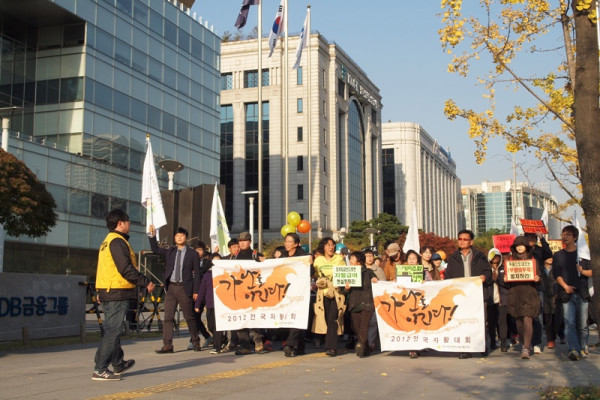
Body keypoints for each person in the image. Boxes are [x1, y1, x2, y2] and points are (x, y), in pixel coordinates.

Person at [92, 209, 155, 381]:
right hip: (116, 291)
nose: (130, 224)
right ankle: (100, 369)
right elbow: (125, 269)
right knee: (113, 330)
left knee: (113, 328)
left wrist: (99, 291)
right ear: (120, 223)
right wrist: (144, 281)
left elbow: (105, 269)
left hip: (108, 290)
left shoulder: (107, 241)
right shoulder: (117, 242)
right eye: (128, 221)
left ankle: (118, 363)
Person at [149, 225, 202, 354]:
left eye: (182, 236)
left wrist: (196, 291)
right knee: (168, 317)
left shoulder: (193, 254)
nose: (179, 238)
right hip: (171, 287)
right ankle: (167, 345)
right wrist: (152, 236)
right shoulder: (170, 251)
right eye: (177, 236)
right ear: (174, 238)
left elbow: (197, 274)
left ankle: (195, 341)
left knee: (189, 317)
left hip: (185, 287)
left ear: (186, 238)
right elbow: (155, 249)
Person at [445, 229, 492, 359]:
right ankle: (466, 348)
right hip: (461, 296)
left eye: (465, 239)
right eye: (460, 239)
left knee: (480, 321)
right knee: (463, 321)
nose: (462, 241)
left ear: (471, 242)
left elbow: (488, 272)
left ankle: (481, 345)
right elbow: (448, 276)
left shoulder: (480, 256)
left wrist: (484, 277)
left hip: (477, 294)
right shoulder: (453, 257)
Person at [553, 225, 593, 361]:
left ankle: (582, 347)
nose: (565, 237)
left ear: (575, 237)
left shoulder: (583, 254)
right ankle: (573, 349)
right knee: (569, 323)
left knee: (582, 324)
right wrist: (565, 286)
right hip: (566, 293)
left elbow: (592, 272)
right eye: (563, 234)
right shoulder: (558, 255)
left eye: (568, 234)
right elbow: (556, 274)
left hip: (582, 292)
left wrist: (582, 271)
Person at [504, 236, 541, 359]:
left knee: (527, 319)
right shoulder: (509, 261)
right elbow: (504, 282)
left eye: (522, 245)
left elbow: (540, 279)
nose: (520, 247)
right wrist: (505, 279)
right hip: (515, 295)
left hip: (529, 294)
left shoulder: (533, 260)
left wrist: (538, 279)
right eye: (517, 245)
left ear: (526, 247)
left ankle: (526, 347)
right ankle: (524, 342)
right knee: (519, 323)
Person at [233, 232, 267, 355]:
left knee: (254, 318)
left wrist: (264, 261)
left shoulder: (256, 255)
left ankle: (258, 342)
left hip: (254, 292)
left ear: (250, 242)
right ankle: (244, 345)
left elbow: (266, 270)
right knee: (241, 318)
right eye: (240, 241)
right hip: (239, 292)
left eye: (245, 240)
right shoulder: (234, 257)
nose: (242, 243)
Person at [312, 237, 347, 356]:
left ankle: (331, 347)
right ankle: (326, 342)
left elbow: (345, 274)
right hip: (322, 294)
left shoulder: (339, 259)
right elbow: (314, 275)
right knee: (325, 318)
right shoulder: (318, 260)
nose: (331, 247)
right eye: (328, 245)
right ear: (323, 247)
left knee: (333, 319)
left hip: (336, 293)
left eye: (332, 245)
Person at [343, 251, 378, 357]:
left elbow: (376, 280)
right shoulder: (348, 272)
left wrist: (375, 279)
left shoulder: (368, 272)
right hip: (354, 303)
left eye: (352, 258)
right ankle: (366, 347)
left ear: (358, 261)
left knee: (364, 326)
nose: (350, 260)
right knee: (356, 327)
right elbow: (343, 291)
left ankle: (361, 345)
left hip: (367, 302)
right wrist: (346, 289)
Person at [525, 232, 552, 354]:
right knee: (525, 315)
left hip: (538, 286)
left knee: (538, 314)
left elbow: (549, 254)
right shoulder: (522, 251)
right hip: (524, 286)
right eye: (528, 237)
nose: (531, 239)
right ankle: (527, 342)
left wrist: (542, 239)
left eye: (533, 237)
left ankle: (537, 342)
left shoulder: (540, 250)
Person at [282, 233, 308, 357]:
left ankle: (290, 344)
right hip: (286, 293)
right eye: (286, 241)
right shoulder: (283, 256)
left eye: (290, 241)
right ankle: (300, 347)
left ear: (296, 244)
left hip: (300, 292)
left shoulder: (303, 257)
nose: (287, 244)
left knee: (297, 317)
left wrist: (310, 262)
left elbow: (311, 272)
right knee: (290, 318)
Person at [195, 253, 224, 354]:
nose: (217, 263)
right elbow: (202, 291)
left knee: (217, 326)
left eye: (219, 261)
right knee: (211, 326)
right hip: (210, 304)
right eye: (215, 261)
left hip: (221, 305)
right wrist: (197, 305)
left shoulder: (225, 273)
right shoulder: (207, 275)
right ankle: (222, 339)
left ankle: (217, 347)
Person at [488, 248, 510, 352]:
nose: (495, 258)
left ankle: (503, 342)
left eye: (497, 256)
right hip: (490, 299)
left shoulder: (504, 268)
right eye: (493, 256)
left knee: (502, 321)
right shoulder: (486, 269)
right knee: (491, 321)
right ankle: (492, 340)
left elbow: (507, 284)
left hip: (502, 299)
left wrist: (502, 280)